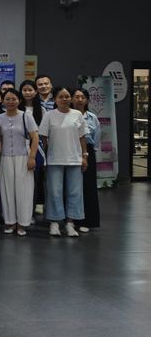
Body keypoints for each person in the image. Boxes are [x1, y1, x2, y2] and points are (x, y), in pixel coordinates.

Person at [38, 86, 87, 237]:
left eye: (67, 96)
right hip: (54, 159)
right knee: (54, 191)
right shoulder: (49, 115)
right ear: (55, 99)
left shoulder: (77, 114)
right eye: (60, 97)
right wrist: (46, 156)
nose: (64, 99)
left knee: (75, 192)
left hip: (74, 159)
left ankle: (70, 223)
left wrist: (85, 156)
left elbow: (82, 137)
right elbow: (43, 137)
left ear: (71, 98)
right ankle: (55, 222)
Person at [0, 88, 39, 236]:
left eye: (13, 99)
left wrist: (32, 157)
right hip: (6, 158)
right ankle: (10, 222)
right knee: (7, 191)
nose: (10, 102)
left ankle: (22, 223)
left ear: (19, 101)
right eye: (7, 99)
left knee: (24, 191)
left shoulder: (26, 116)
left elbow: (35, 137)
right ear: (3, 101)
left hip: (23, 158)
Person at [72, 88, 101, 233]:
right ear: (71, 99)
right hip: (71, 151)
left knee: (88, 187)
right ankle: (72, 220)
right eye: (76, 97)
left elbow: (96, 137)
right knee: (73, 187)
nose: (79, 100)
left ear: (87, 100)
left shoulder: (92, 117)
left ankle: (87, 220)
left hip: (88, 152)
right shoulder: (68, 115)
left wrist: (88, 153)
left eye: (82, 97)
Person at [20, 79, 45, 214]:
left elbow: (43, 132)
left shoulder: (41, 110)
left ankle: (32, 209)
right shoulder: (17, 108)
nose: (27, 93)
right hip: (20, 148)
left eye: (30, 90)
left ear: (35, 92)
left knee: (34, 180)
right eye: (25, 90)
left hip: (36, 148)